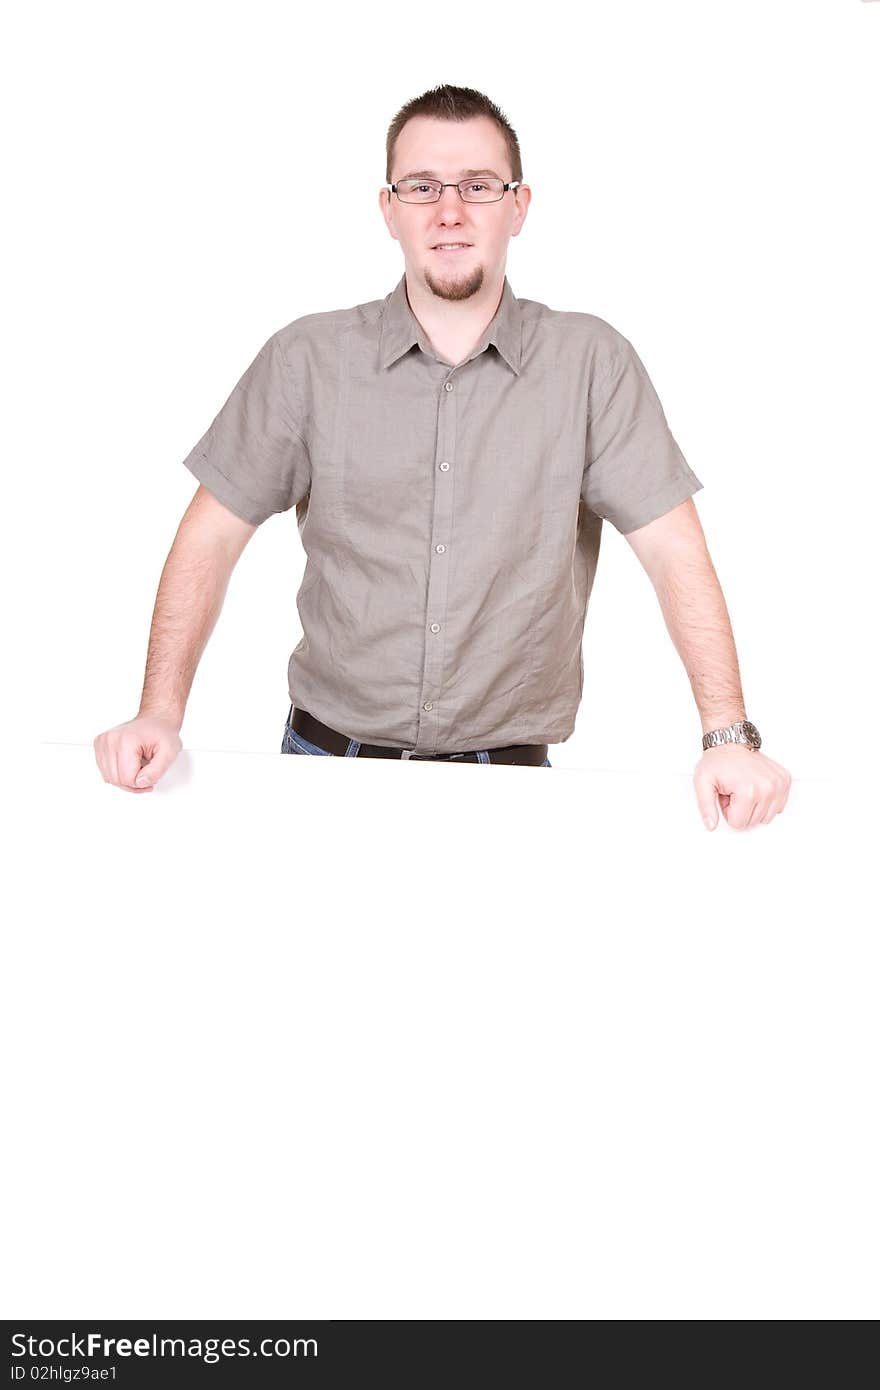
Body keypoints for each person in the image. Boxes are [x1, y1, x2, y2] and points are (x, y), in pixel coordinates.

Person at [94, 83, 791, 830]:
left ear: (518, 206)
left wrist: (728, 735)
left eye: (478, 187)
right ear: (388, 208)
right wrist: (158, 713)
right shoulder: (307, 360)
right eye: (422, 186)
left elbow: (674, 551)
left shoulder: (593, 363)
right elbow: (210, 535)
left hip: (510, 792)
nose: (449, 211)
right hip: (324, 776)